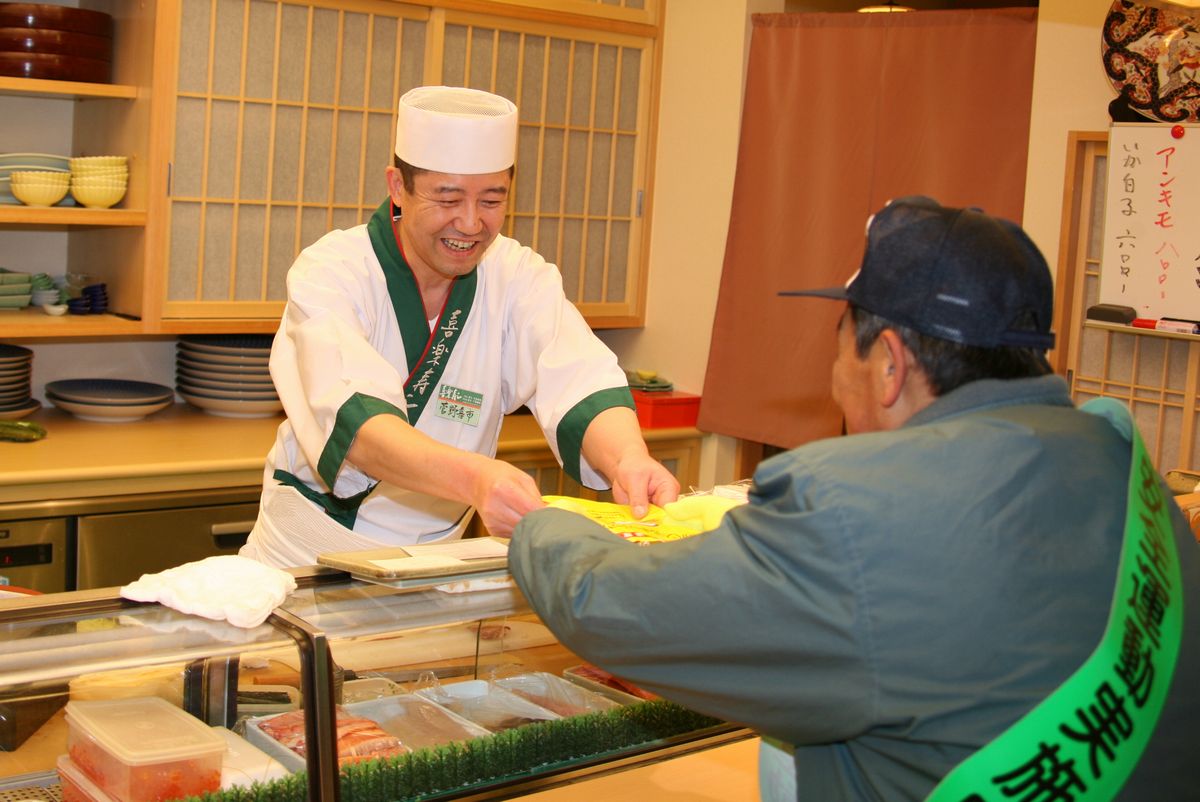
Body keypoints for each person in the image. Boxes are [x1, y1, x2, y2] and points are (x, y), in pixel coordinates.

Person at [507, 196, 1200, 801]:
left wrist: (539, 527)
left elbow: (614, 609)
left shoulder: (855, 508)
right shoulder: (1120, 458)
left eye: (840, 345)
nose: (836, 377)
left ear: (890, 364)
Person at [241, 85, 678, 568]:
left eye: (492, 201)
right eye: (448, 198)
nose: (470, 224)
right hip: (305, 559)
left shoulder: (516, 276)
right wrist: (476, 479)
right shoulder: (333, 272)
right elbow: (359, 428)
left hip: (436, 563)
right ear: (397, 187)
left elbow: (578, 378)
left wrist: (629, 459)